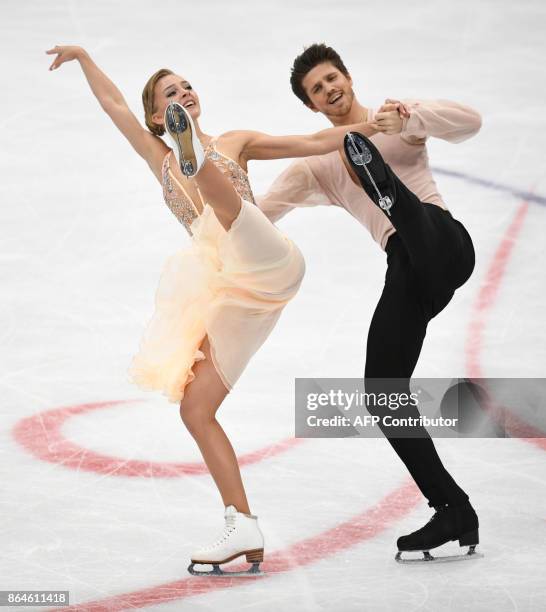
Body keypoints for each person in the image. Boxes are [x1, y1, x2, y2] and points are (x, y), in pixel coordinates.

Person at [45, 44, 374, 575]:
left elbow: (313, 139)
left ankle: (199, 163)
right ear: (157, 117)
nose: (184, 93)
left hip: (265, 253)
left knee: (232, 212)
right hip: (238, 291)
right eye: (170, 95)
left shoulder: (235, 142)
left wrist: (375, 127)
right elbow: (113, 106)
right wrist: (84, 57)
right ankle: (241, 522)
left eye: (186, 87)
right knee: (195, 410)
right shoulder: (158, 159)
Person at [257, 43, 483, 562]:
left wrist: (413, 117)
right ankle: (452, 508)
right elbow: (259, 215)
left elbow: (470, 122)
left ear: (348, 77)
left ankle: (387, 189)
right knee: (382, 390)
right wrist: (218, 194)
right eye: (317, 89)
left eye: (332, 77)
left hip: (443, 240)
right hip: (409, 272)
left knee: (410, 218)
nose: (329, 88)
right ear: (311, 106)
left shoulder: (395, 117)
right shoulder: (314, 165)